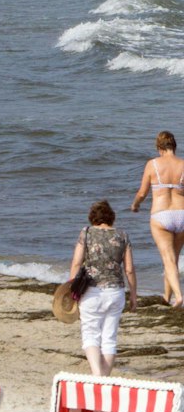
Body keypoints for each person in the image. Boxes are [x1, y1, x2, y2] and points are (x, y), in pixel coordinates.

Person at [67, 200, 137, 377]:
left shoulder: (87, 232)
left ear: (93, 218)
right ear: (111, 218)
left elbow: (76, 263)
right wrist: (134, 295)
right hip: (116, 291)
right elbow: (129, 269)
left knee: (90, 333)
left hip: (91, 290)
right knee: (109, 337)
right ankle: (104, 377)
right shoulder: (122, 235)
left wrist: (70, 289)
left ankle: (97, 374)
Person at [133, 131, 184, 306]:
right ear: (174, 146)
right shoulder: (183, 164)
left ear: (159, 147)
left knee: (167, 259)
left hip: (161, 215)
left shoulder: (152, 164)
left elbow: (142, 193)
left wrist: (135, 205)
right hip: (182, 214)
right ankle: (166, 298)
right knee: (173, 259)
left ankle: (178, 296)